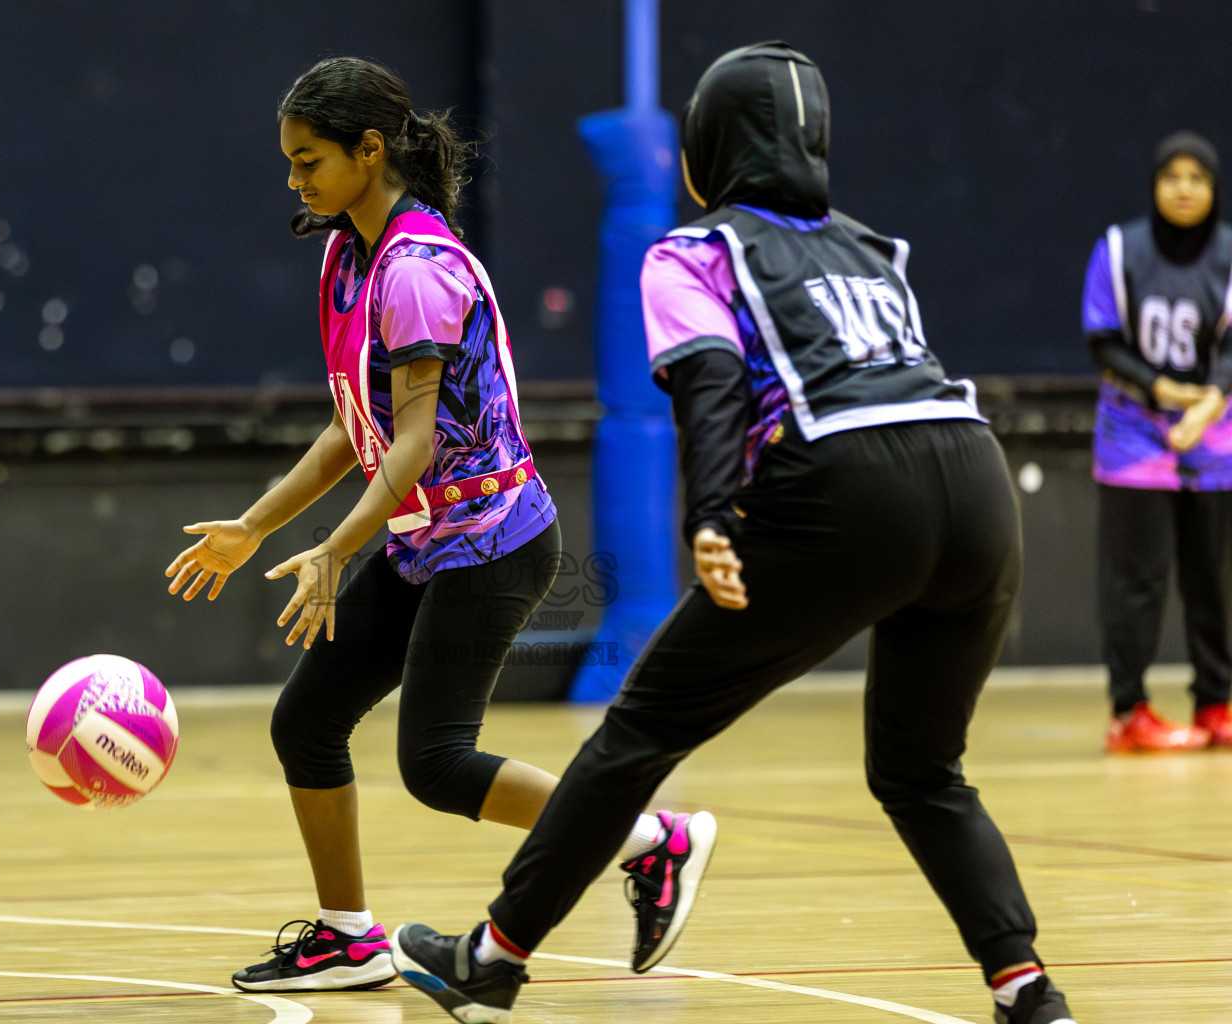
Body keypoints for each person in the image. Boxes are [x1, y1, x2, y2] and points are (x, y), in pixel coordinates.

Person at [392, 42, 1077, 1024]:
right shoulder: (874, 248)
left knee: (638, 731)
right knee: (924, 769)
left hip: (846, 491)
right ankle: (1029, 991)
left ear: (704, 149)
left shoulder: (692, 250)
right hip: (978, 486)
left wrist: (711, 516)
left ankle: (491, 959)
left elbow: (712, 388)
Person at [164, 56, 702, 993]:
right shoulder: (345, 256)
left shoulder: (418, 270)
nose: (294, 182)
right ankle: (348, 938)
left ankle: (651, 838)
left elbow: (410, 442)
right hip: (425, 541)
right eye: (289, 163)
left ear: (369, 152)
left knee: (438, 764)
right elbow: (352, 427)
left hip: (494, 543)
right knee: (309, 721)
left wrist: (336, 547)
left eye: (309, 161)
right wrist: (254, 527)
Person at [1082, 130, 1232, 753]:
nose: (1185, 189)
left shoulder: (1228, 254)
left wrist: (1210, 404)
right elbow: (1103, 342)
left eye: (1197, 178)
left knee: (1214, 578)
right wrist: (1162, 390)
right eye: (1173, 176)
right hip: (1133, 436)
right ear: (1154, 185)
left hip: (1214, 434)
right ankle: (1129, 710)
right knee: (1136, 580)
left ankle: (1217, 704)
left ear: (1214, 188)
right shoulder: (1120, 250)